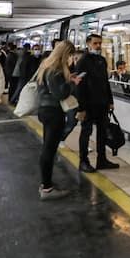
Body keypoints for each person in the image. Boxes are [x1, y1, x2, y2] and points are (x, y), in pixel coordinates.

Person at [35, 40, 84, 200]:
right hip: (53, 112)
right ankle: (47, 188)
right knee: (49, 149)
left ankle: (45, 184)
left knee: (47, 148)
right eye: (70, 55)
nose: (71, 58)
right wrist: (72, 83)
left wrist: (68, 78)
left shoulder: (46, 66)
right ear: (65, 54)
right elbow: (60, 94)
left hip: (45, 110)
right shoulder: (55, 70)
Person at [74, 33, 119, 173]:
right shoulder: (83, 61)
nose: (98, 46)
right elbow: (79, 86)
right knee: (86, 132)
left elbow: (105, 82)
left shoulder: (101, 60)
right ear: (88, 44)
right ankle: (83, 161)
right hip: (88, 104)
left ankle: (102, 160)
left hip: (102, 104)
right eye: (95, 43)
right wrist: (81, 108)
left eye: (100, 43)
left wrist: (110, 101)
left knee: (102, 132)